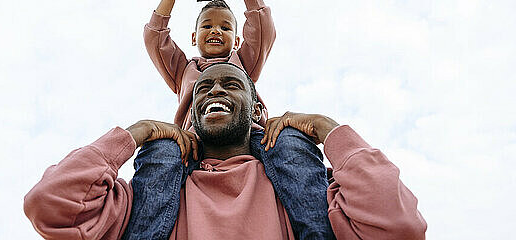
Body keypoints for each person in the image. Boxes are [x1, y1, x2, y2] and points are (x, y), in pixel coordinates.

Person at [24, 63, 427, 240]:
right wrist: (134, 134)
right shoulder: (145, 198)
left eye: (231, 84)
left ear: (256, 109)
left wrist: (329, 130)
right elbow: (50, 204)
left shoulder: (306, 192)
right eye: (203, 87)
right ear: (190, 111)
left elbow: (398, 228)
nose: (215, 89)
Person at [140, 0, 332, 239]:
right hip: (195, 141)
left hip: (250, 136)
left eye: (226, 27)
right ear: (193, 38)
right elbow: (155, 38)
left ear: (237, 39)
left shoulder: (243, 62)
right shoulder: (184, 70)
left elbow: (263, 28)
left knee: (291, 146)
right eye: (207, 26)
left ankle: (317, 228)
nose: (216, 30)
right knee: (159, 158)